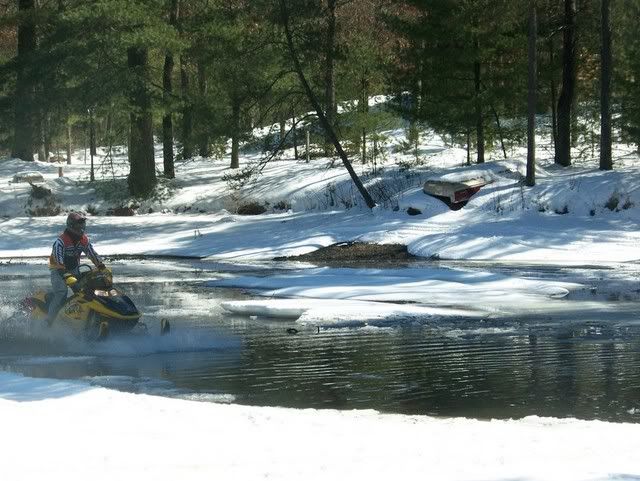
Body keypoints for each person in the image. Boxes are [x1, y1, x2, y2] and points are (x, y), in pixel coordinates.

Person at [46, 212, 104, 325]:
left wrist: (100, 265)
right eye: (79, 225)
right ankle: (49, 320)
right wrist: (64, 273)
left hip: (73, 269)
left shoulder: (84, 240)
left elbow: (91, 253)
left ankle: (81, 318)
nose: (82, 228)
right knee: (61, 293)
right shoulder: (61, 241)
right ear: (71, 226)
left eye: (83, 225)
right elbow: (58, 260)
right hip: (58, 270)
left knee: (84, 292)